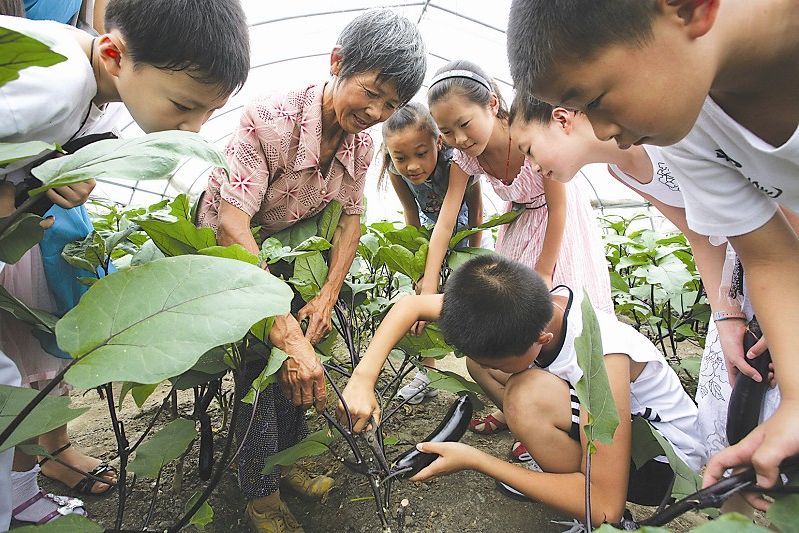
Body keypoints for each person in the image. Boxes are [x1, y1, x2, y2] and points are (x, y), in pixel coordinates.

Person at [506, 0, 799, 507]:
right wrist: (790, 395)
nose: (597, 127)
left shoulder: (676, 114)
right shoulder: (687, 127)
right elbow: (761, 249)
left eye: (594, 100)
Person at [0, 0, 249, 523]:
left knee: (16, 379)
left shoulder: (108, 96)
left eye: (208, 112)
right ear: (114, 55)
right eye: (183, 106)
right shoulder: (55, 81)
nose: (195, 128)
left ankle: (13, 499)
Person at [196, 9, 426, 532]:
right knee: (262, 369)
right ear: (337, 63)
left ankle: (288, 462)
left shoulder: (362, 144)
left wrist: (324, 296)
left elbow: (350, 218)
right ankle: (260, 498)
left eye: (391, 105)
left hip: (289, 256)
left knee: (302, 372)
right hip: (231, 257)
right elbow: (231, 224)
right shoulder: (267, 120)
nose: (376, 111)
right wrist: (284, 325)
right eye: (371, 92)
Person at [340, 255, 705, 524]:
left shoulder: (602, 360)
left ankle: (577, 493)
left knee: (524, 399)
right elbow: (412, 304)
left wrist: (478, 460)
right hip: (615, 430)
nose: (494, 368)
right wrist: (362, 378)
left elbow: (603, 503)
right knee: (478, 365)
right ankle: (556, 468)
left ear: (540, 340)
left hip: (661, 465)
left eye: (502, 360)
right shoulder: (518, 306)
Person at [421, 59, 612, 452]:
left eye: (464, 123)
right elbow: (444, 222)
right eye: (446, 131)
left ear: (492, 104)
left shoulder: (527, 135)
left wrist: (543, 274)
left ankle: (569, 419)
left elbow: (558, 209)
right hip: (520, 228)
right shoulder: (465, 158)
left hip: (559, 229)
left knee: (558, 328)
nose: (458, 137)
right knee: (511, 334)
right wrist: (427, 281)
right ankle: (523, 412)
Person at [378, 101, 484, 404]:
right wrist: (421, 266)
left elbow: (475, 212)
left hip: (464, 234)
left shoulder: (456, 163)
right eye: (401, 157)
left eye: (421, 154)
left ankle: (491, 369)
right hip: (429, 235)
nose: (412, 165)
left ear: (438, 141)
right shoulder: (396, 172)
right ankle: (426, 376)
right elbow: (412, 215)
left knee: (473, 304)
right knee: (421, 308)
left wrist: (473, 258)